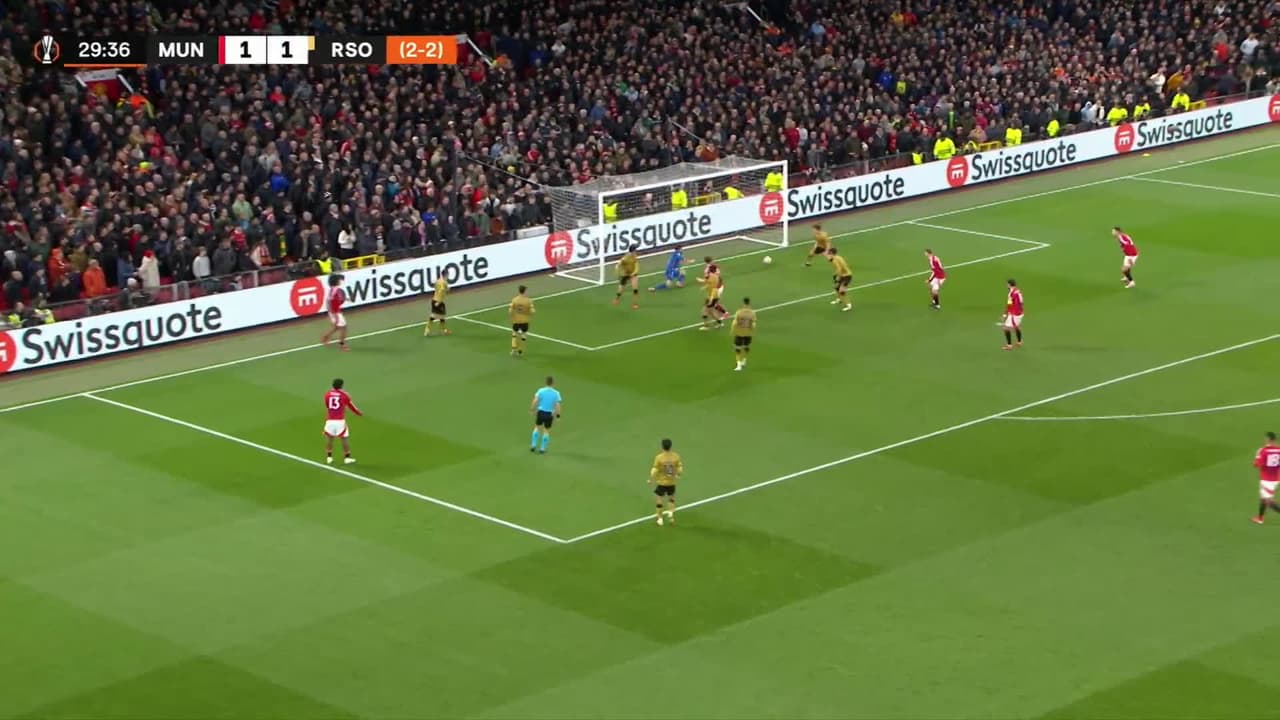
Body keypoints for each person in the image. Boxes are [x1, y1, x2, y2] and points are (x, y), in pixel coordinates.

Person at [323, 378, 363, 465]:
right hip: (340, 421)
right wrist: (358, 413)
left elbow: (327, 405)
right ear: (341, 385)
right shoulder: (344, 395)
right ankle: (347, 458)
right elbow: (351, 406)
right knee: (344, 438)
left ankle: (329, 457)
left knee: (329, 438)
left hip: (330, 420)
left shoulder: (327, 394)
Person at [649, 438, 683, 526]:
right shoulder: (676, 456)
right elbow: (680, 468)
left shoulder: (659, 457)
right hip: (671, 482)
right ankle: (671, 514)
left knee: (659, 499)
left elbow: (654, 470)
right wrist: (678, 475)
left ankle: (660, 519)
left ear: (662, 446)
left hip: (661, 483)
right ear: (671, 446)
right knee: (671, 498)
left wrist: (651, 479)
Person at [1252, 432, 1280, 524]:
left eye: (1265, 438)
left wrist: (1257, 458)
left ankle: (1260, 519)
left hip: (1266, 479)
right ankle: (1260, 518)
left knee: (1268, 501)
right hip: (1276, 478)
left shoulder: (1263, 450)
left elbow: (1256, 465)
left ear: (1268, 439)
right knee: (1263, 499)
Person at [529, 375, 562, 454]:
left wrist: (532, 409)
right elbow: (557, 405)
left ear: (546, 382)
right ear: (553, 383)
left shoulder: (541, 391)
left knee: (537, 427)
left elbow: (535, 400)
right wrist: (558, 415)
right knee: (546, 431)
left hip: (540, 412)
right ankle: (542, 448)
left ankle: (533, 445)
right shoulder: (556, 393)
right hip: (549, 414)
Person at [320, 273, 349, 350]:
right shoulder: (336, 290)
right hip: (335, 312)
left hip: (333, 311)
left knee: (337, 327)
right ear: (336, 281)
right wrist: (336, 316)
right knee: (344, 327)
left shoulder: (333, 289)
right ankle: (342, 344)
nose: (341, 281)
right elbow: (333, 302)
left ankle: (325, 337)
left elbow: (331, 301)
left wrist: (345, 299)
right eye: (339, 280)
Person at [732, 297, 757, 371]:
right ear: (749, 303)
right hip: (748, 333)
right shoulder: (752, 313)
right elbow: (753, 324)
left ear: (743, 303)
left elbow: (735, 322)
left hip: (739, 332)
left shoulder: (739, 312)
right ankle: (744, 360)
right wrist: (752, 331)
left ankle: (739, 365)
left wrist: (732, 330)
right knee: (746, 347)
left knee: (737, 349)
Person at [509, 284, 535, 357]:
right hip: (525, 321)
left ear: (519, 291)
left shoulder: (514, 300)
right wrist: (529, 315)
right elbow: (533, 311)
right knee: (523, 335)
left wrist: (511, 317)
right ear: (525, 291)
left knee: (514, 334)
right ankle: (520, 351)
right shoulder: (528, 300)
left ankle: (513, 350)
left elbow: (510, 310)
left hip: (516, 320)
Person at [826, 247, 853, 311]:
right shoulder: (839, 257)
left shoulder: (835, 259)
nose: (828, 254)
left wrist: (837, 276)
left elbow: (839, 269)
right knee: (836, 287)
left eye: (829, 253)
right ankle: (839, 299)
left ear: (831, 253)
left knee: (841, 291)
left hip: (847, 276)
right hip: (843, 275)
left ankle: (849, 305)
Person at [1002, 278, 1024, 350]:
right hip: (1020, 313)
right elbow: (1021, 302)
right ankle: (1019, 342)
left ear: (1009, 285)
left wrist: (1005, 314)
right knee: (1016, 327)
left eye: (1007, 284)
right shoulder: (1018, 291)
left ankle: (1009, 345)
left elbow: (1009, 304)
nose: (1006, 285)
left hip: (1014, 314)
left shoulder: (1011, 293)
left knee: (1006, 328)